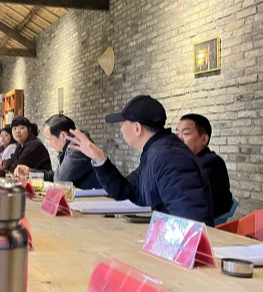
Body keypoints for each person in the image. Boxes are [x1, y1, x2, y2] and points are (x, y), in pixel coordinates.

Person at [67, 95, 214, 226]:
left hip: (172, 245)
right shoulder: (155, 151)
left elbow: (190, 222)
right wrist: (99, 158)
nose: (121, 130)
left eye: (122, 125)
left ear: (137, 128)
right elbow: (125, 191)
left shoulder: (170, 157)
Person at [15, 114, 101, 189]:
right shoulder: (70, 145)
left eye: (50, 139)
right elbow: (56, 174)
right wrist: (30, 172)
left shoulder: (77, 146)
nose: (49, 144)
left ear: (63, 135)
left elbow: (60, 179)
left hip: (97, 199)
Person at [176, 113, 233, 217]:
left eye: (186, 133)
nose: (179, 139)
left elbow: (190, 197)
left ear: (204, 139)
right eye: (177, 133)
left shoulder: (212, 163)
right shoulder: (185, 161)